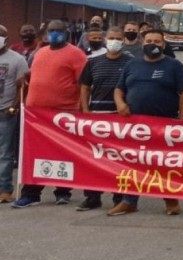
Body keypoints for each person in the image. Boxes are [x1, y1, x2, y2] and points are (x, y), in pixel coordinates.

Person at [110, 28, 183, 216]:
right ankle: (129, 201)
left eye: (157, 41)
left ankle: (171, 201)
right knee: (133, 162)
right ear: (142, 43)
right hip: (135, 125)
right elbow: (119, 90)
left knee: (163, 164)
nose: (152, 44)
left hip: (164, 124)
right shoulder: (132, 65)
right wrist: (120, 104)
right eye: (149, 41)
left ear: (164, 44)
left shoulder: (174, 66)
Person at [12, 19, 87, 209]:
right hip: (37, 115)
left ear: (67, 33)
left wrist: (81, 107)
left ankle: (62, 191)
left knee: (62, 153)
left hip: (63, 113)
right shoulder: (40, 53)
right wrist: (26, 78)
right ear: (46, 34)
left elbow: (83, 83)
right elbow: (36, 74)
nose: (54, 34)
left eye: (59, 30)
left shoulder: (76, 54)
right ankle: (31, 193)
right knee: (35, 154)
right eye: (51, 31)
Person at [75, 27, 133, 211]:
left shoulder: (131, 63)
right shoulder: (93, 62)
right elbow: (84, 87)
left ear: (123, 41)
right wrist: (85, 109)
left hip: (120, 117)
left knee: (119, 159)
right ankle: (92, 197)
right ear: (105, 40)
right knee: (93, 158)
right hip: (96, 117)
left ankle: (118, 197)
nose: (114, 41)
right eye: (111, 38)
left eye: (118, 38)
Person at [0, 25, 31, 203]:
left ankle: (5, 189)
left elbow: (23, 87)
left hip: (6, 112)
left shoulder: (17, 59)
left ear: (6, 38)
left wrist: (14, 107)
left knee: (5, 153)